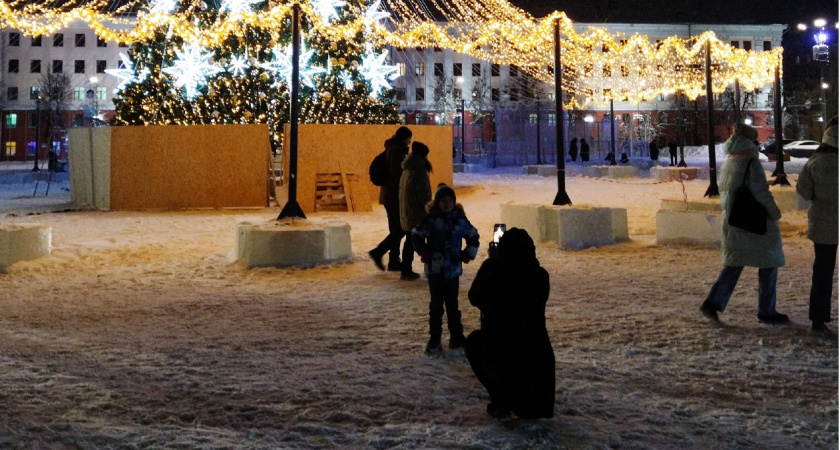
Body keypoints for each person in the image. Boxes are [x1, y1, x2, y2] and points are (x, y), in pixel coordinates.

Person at [699, 124, 788, 325]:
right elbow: (761, 194)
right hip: (755, 223)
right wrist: (775, 213)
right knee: (769, 263)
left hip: (733, 219)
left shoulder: (730, 162)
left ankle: (713, 303)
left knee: (734, 264)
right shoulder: (751, 163)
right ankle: (767, 311)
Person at [466, 228, 554, 420]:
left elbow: (475, 297)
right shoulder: (540, 275)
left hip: (505, 356)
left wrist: (492, 263)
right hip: (538, 378)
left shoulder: (497, 273)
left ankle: (502, 400)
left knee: (475, 343)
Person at [411, 184, 480, 355]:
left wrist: (468, 254)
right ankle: (434, 339)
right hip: (435, 270)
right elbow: (416, 234)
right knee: (436, 306)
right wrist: (423, 252)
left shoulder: (460, 220)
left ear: (454, 202)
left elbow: (473, 236)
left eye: (450, 201)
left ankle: (456, 337)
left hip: (453, 270)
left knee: (453, 305)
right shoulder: (431, 220)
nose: (447, 204)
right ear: (438, 203)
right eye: (443, 201)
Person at [796, 119, 838, 337]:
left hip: (823, 225)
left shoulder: (814, 162)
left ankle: (818, 318)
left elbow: (803, 191)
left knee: (822, 272)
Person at [369, 126, 412, 273]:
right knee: (402, 228)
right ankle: (379, 252)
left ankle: (393, 261)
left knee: (396, 228)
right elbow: (398, 174)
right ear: (403, 138)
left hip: (389, 194)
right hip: (393, 195)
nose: (409, 141)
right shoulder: (396, 151)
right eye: (408, 138)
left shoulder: (393, 149)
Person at [398, 142, 433, 281]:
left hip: (408, 210)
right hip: (416, 212)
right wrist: (430, 208)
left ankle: (406, 269)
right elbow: (423, 194)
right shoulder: (419, 170)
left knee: (409, 240)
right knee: (415, 240)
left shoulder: (408, 168)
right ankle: (408, 270)